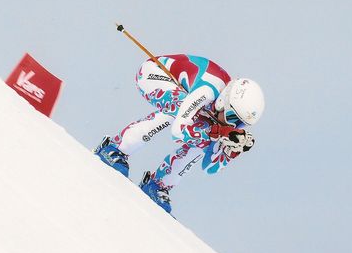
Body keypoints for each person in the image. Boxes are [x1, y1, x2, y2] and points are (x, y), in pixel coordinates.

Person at [94, 54, 264, 214]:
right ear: (223, 101)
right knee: (176, 109)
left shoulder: (221, 115)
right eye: (231, 117)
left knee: (204, 139)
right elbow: (178, 130)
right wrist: (216, 132)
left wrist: (230, 151)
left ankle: (158, 184)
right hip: (153, 73)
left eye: (240, 123)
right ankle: (115, 148)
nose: (232, 124)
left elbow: (209, 167)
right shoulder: (209, 90)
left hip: (180, 92)